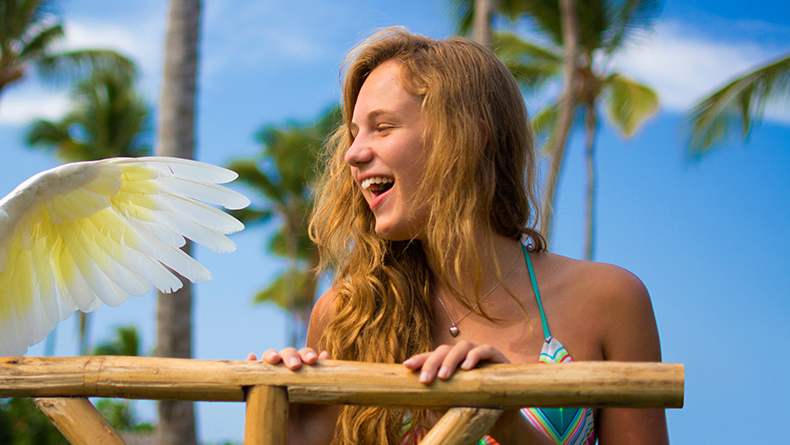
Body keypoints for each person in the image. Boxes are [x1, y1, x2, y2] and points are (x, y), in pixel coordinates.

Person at [249, 27, 668, 444]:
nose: (353, 154)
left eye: (383, 127)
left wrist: (503, 420)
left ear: (470, 137)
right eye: (355, 133)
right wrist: (294, 435)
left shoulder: (609, 300)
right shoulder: (348, 315)